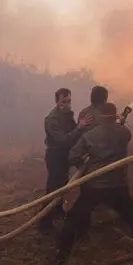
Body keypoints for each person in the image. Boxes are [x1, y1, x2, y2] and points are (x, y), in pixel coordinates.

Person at [55, 102, 133, 265]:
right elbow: (122, 135)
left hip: (95, 186)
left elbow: (72, 157)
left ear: (99, 117)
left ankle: (62, 254)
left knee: (74, 217)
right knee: (129, 212)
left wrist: (84, 160)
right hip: (118, 184)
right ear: (115, 115)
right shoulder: (124, 132)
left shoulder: (90, 136)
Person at [39, 88, 92, 233]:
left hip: (64, 156)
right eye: (64, 101)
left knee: (62, 187)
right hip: (55, 157)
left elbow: (74, 134)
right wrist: (80, 127)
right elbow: (63, 140)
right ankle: (44, 223)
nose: (67, 104)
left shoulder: (67, 115)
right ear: (57, 101)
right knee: (52, 190)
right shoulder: (51, 119)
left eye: (69, 101)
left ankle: (57, 213)